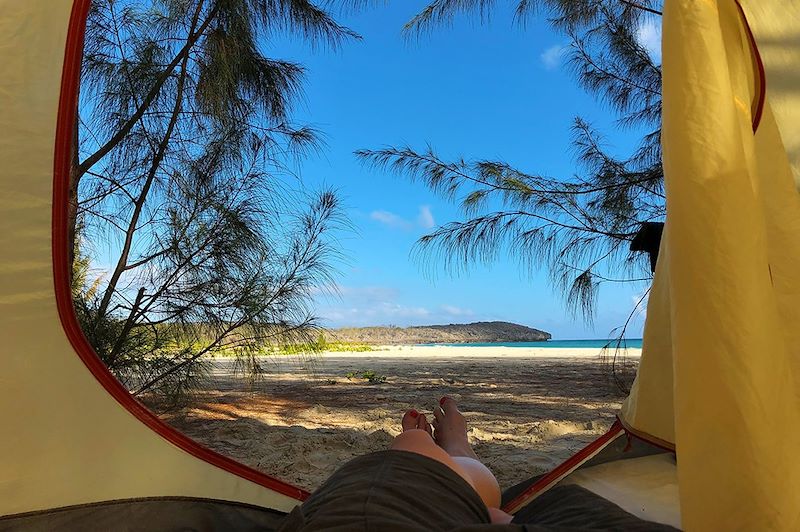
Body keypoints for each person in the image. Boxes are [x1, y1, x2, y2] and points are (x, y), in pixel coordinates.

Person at [277, 397, 517, 531]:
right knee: (472, 489)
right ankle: (451, 445)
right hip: (355, 486)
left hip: (350, 491)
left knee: (472, 489)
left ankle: (433, 447)